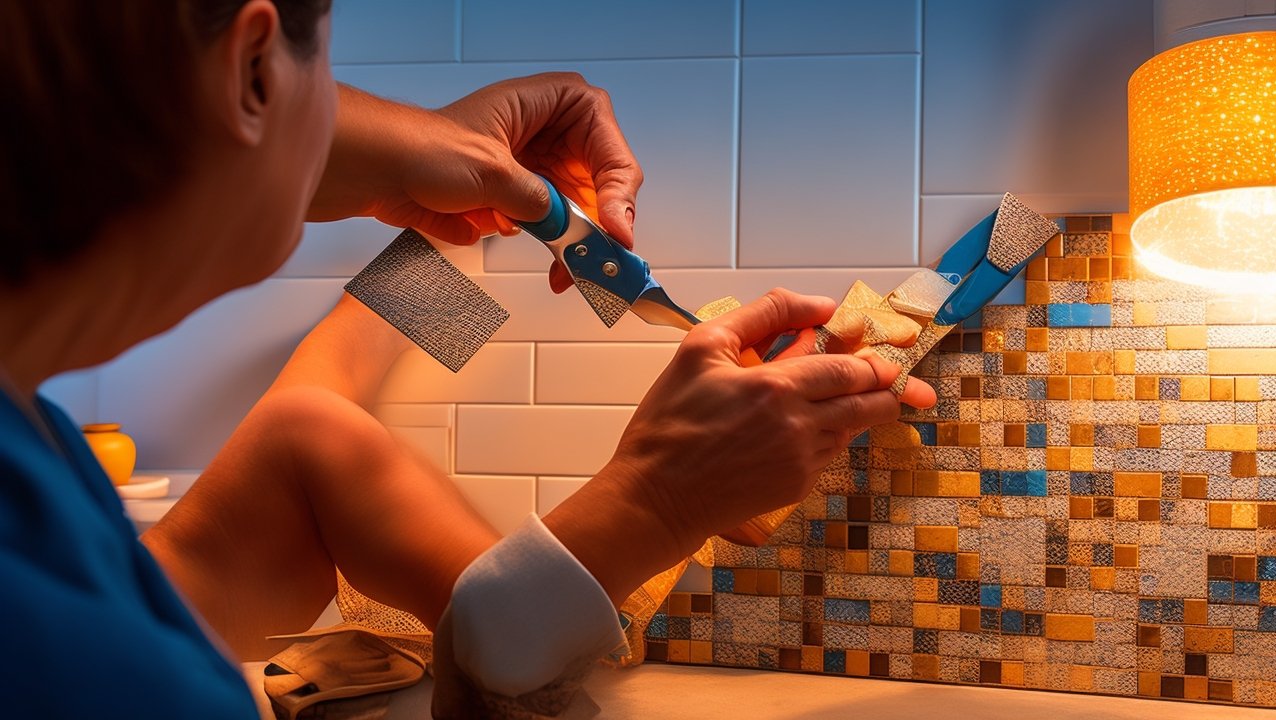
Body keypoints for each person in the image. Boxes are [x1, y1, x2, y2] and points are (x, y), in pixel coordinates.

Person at [0, 1, 936, 718]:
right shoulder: (74, 662)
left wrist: (448, 193)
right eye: (321, 70)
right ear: (251, 66)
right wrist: (653, 502)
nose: (337, 107)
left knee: (309, 427)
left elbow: (310, 423)